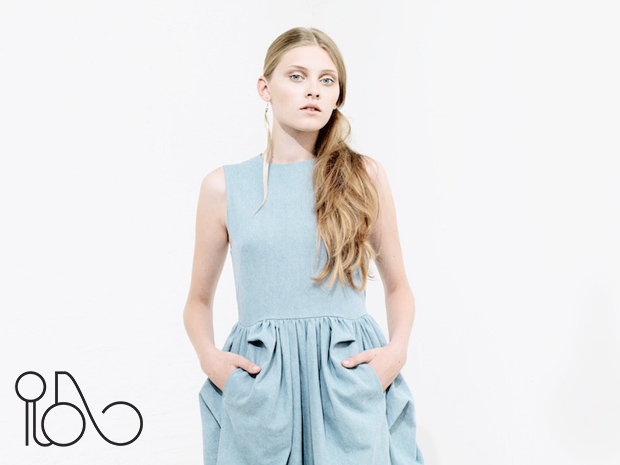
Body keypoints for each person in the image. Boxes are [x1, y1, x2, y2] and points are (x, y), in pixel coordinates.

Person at [183, 26, 425, 465]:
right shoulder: (224, 187)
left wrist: (395, 354)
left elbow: (398, 286)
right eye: (296, 76)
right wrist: (211, 361)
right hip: (262, 392)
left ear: (337, 96)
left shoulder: (364, 177)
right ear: (265, 88)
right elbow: (198, 301)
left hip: (349, 388)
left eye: (326, 80)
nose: (313, 90)